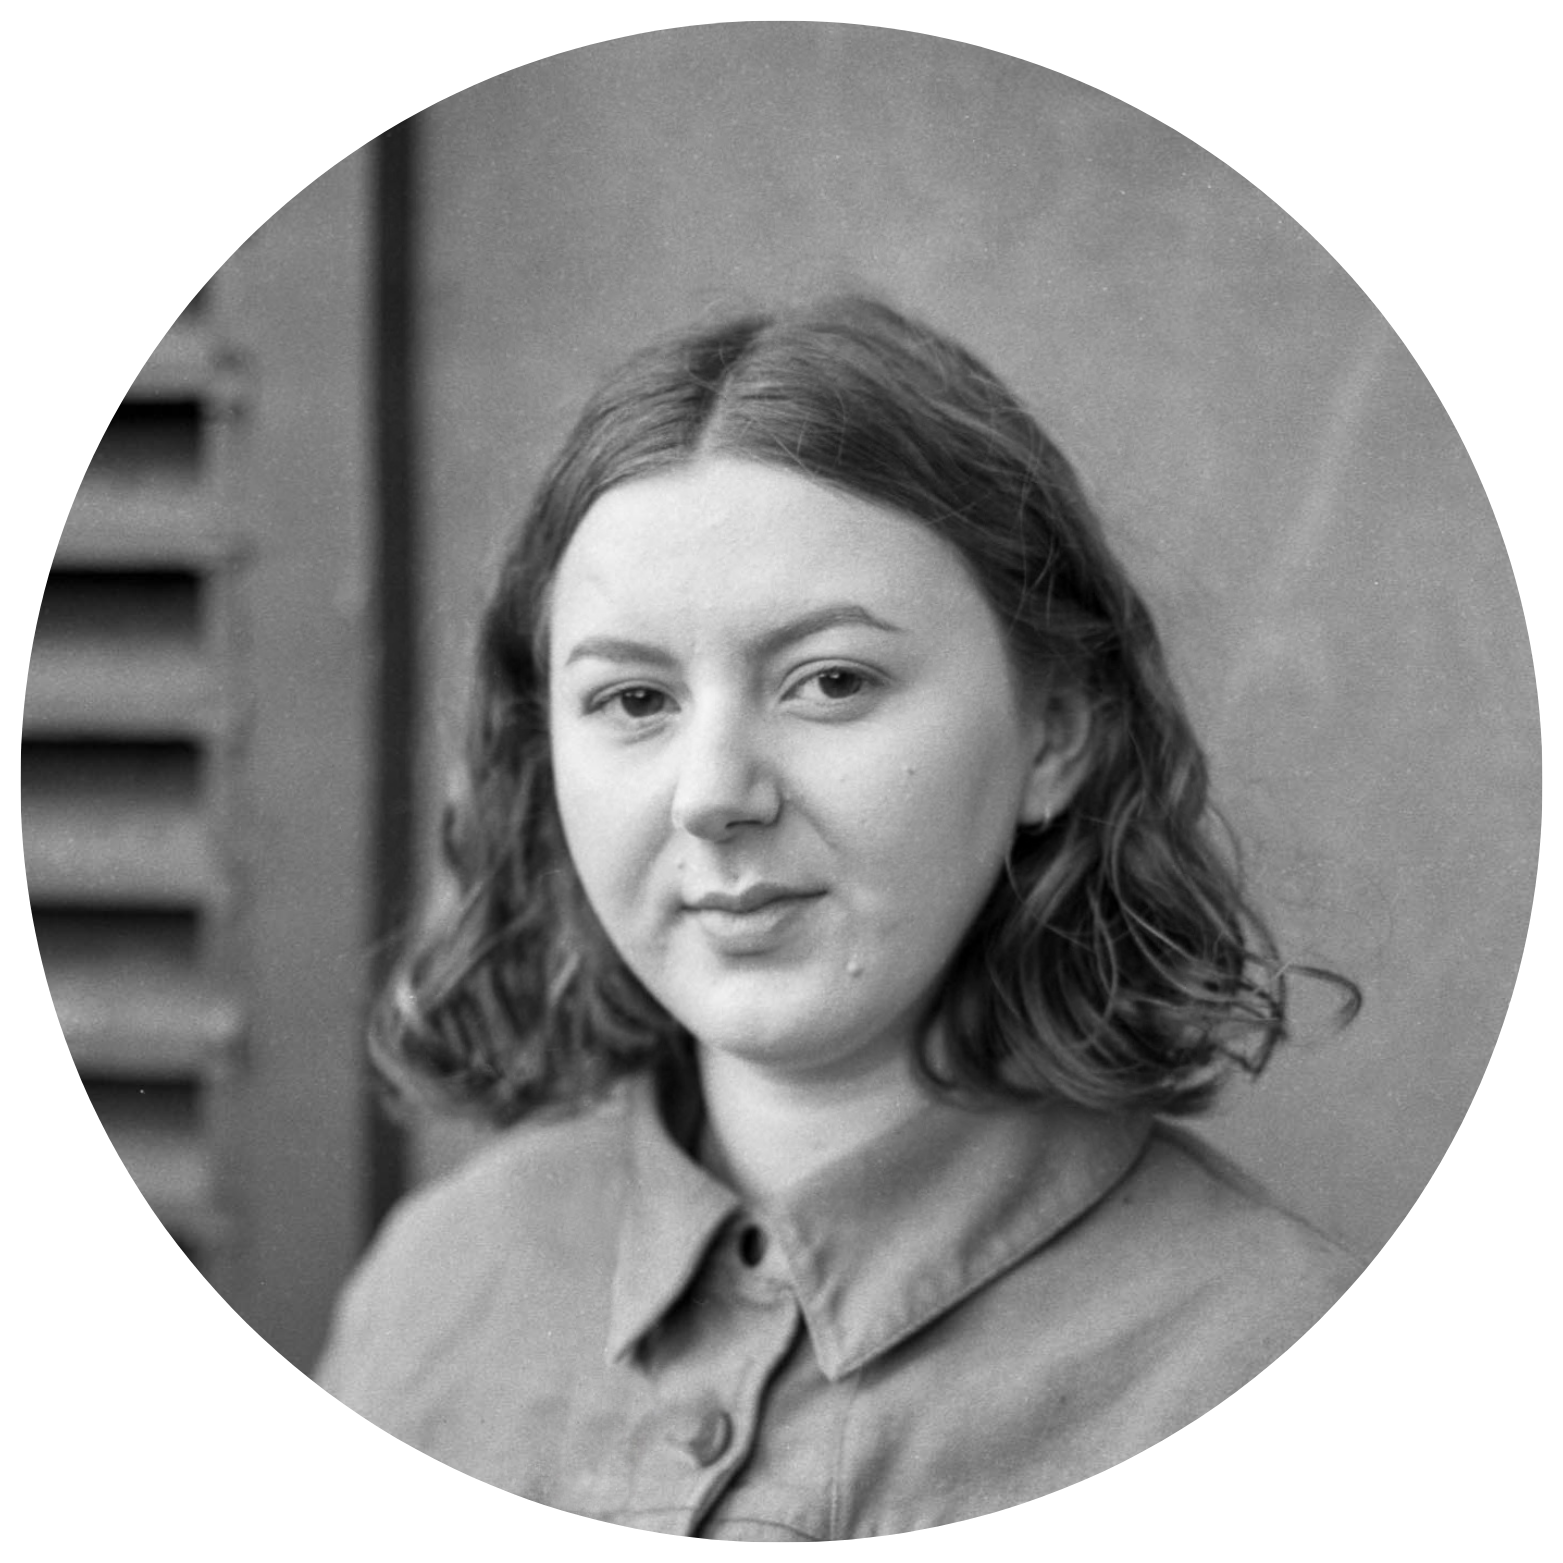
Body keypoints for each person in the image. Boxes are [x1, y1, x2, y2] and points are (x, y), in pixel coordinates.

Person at [316, 294, 1363, 1542]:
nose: (713, 796)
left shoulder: (1288, 1369)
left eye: (832, 682)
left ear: (1057, 736)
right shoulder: (430, 1288)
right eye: (634, 698)